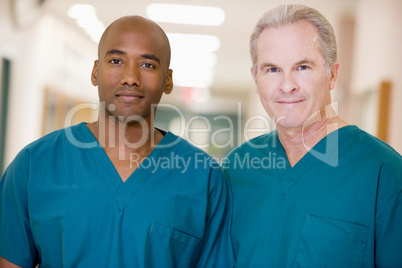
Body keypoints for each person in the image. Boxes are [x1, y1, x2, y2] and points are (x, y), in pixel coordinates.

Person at [0, 16, 235, 267]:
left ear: (168, 80)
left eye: (147, 64)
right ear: (95, 71)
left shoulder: (203, 177)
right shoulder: (35, 165)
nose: (130, 77)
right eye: (116, 61)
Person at [222, 4, 402, 267]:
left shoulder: (383, 172)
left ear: (332, 74)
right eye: (272, 69)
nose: (287, 85)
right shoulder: (237, 167)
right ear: (255, 78)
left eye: (303, 67)